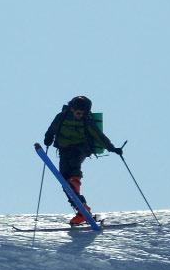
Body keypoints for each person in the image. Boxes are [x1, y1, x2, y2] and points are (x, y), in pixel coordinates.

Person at [43, 95, 123, 225]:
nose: (79, 115)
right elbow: (52, 129)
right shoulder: (61, 117)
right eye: (78, 112)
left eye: (82, 112)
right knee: (63, 181)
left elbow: (99, 135)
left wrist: (112, 148)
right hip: (64, 150)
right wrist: (48, 138)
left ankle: (75, 181)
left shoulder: (86, 121)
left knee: (74, 164)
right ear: (72, 109)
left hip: (81, 148)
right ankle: (82, 211)